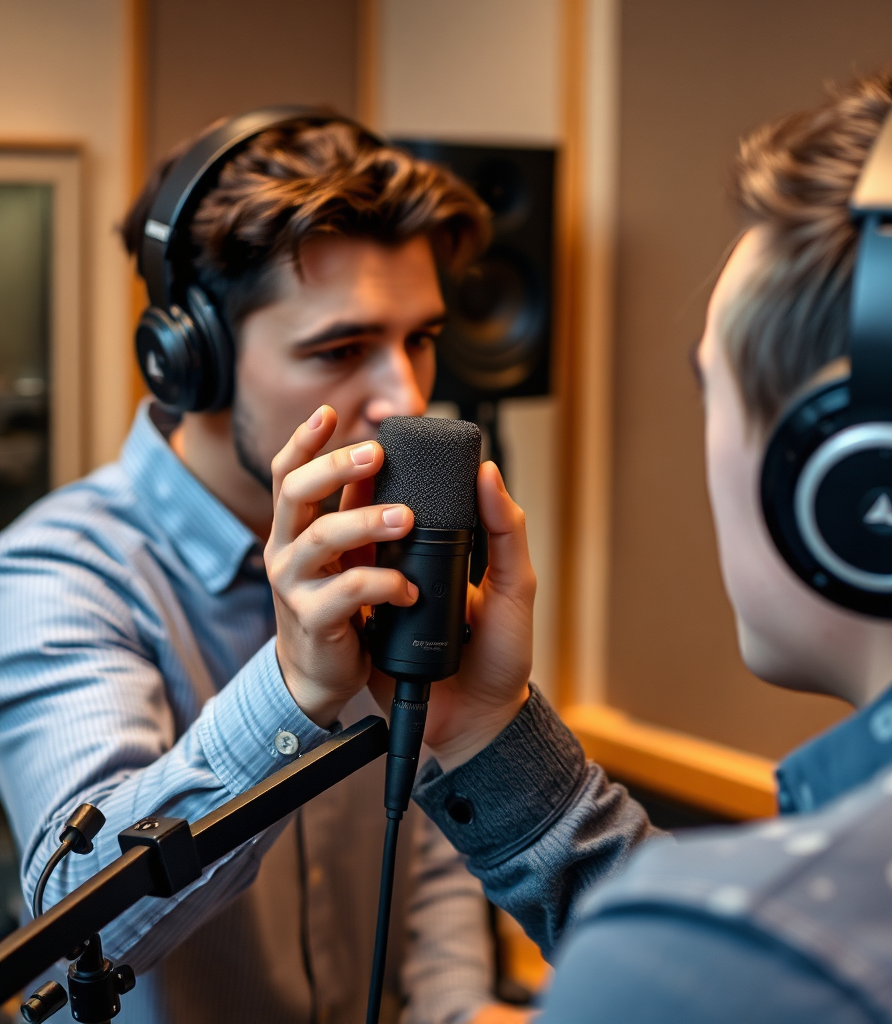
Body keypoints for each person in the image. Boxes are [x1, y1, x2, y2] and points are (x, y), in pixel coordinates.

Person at [358, 70, 892, 1022]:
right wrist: (485, 734)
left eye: (715, 391)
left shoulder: (732, 961)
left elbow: (726, 968)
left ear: (862, 477)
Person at [0, 115, 531, 1024]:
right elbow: (80, 919)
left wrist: (458, 1007)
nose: (405, 396)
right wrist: (292, 692)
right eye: (340, 349)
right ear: (189, 360)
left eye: (420, 339)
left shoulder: (387, 541)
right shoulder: (57, 571)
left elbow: (430, 836)